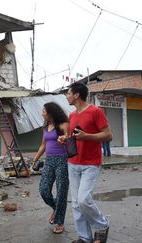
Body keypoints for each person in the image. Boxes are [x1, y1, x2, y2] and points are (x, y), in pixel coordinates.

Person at [60, 83, 112, 243]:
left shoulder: (96, 111)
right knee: (76, 203)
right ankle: (84, 237)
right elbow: (74, 137)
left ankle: (102, 225)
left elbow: (108, 135)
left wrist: (87, 136)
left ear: (76, 95)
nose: (66, 96)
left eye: (68, 93)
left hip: (91, 163)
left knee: (83, 199)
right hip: (73, 162)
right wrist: (65, 139)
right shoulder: (72, 115)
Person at [32, 102, 70, 234]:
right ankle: (56, 208)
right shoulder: (46, 126)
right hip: (49, 161)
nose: (42, 113)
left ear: (50, 112)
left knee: (61, 193)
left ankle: (60, 222)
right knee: (44, 190)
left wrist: (65, 138)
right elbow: (43, 144)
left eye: (43, 111)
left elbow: (71, 142)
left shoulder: (63, 125)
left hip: (62, 161)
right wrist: (35, 158)